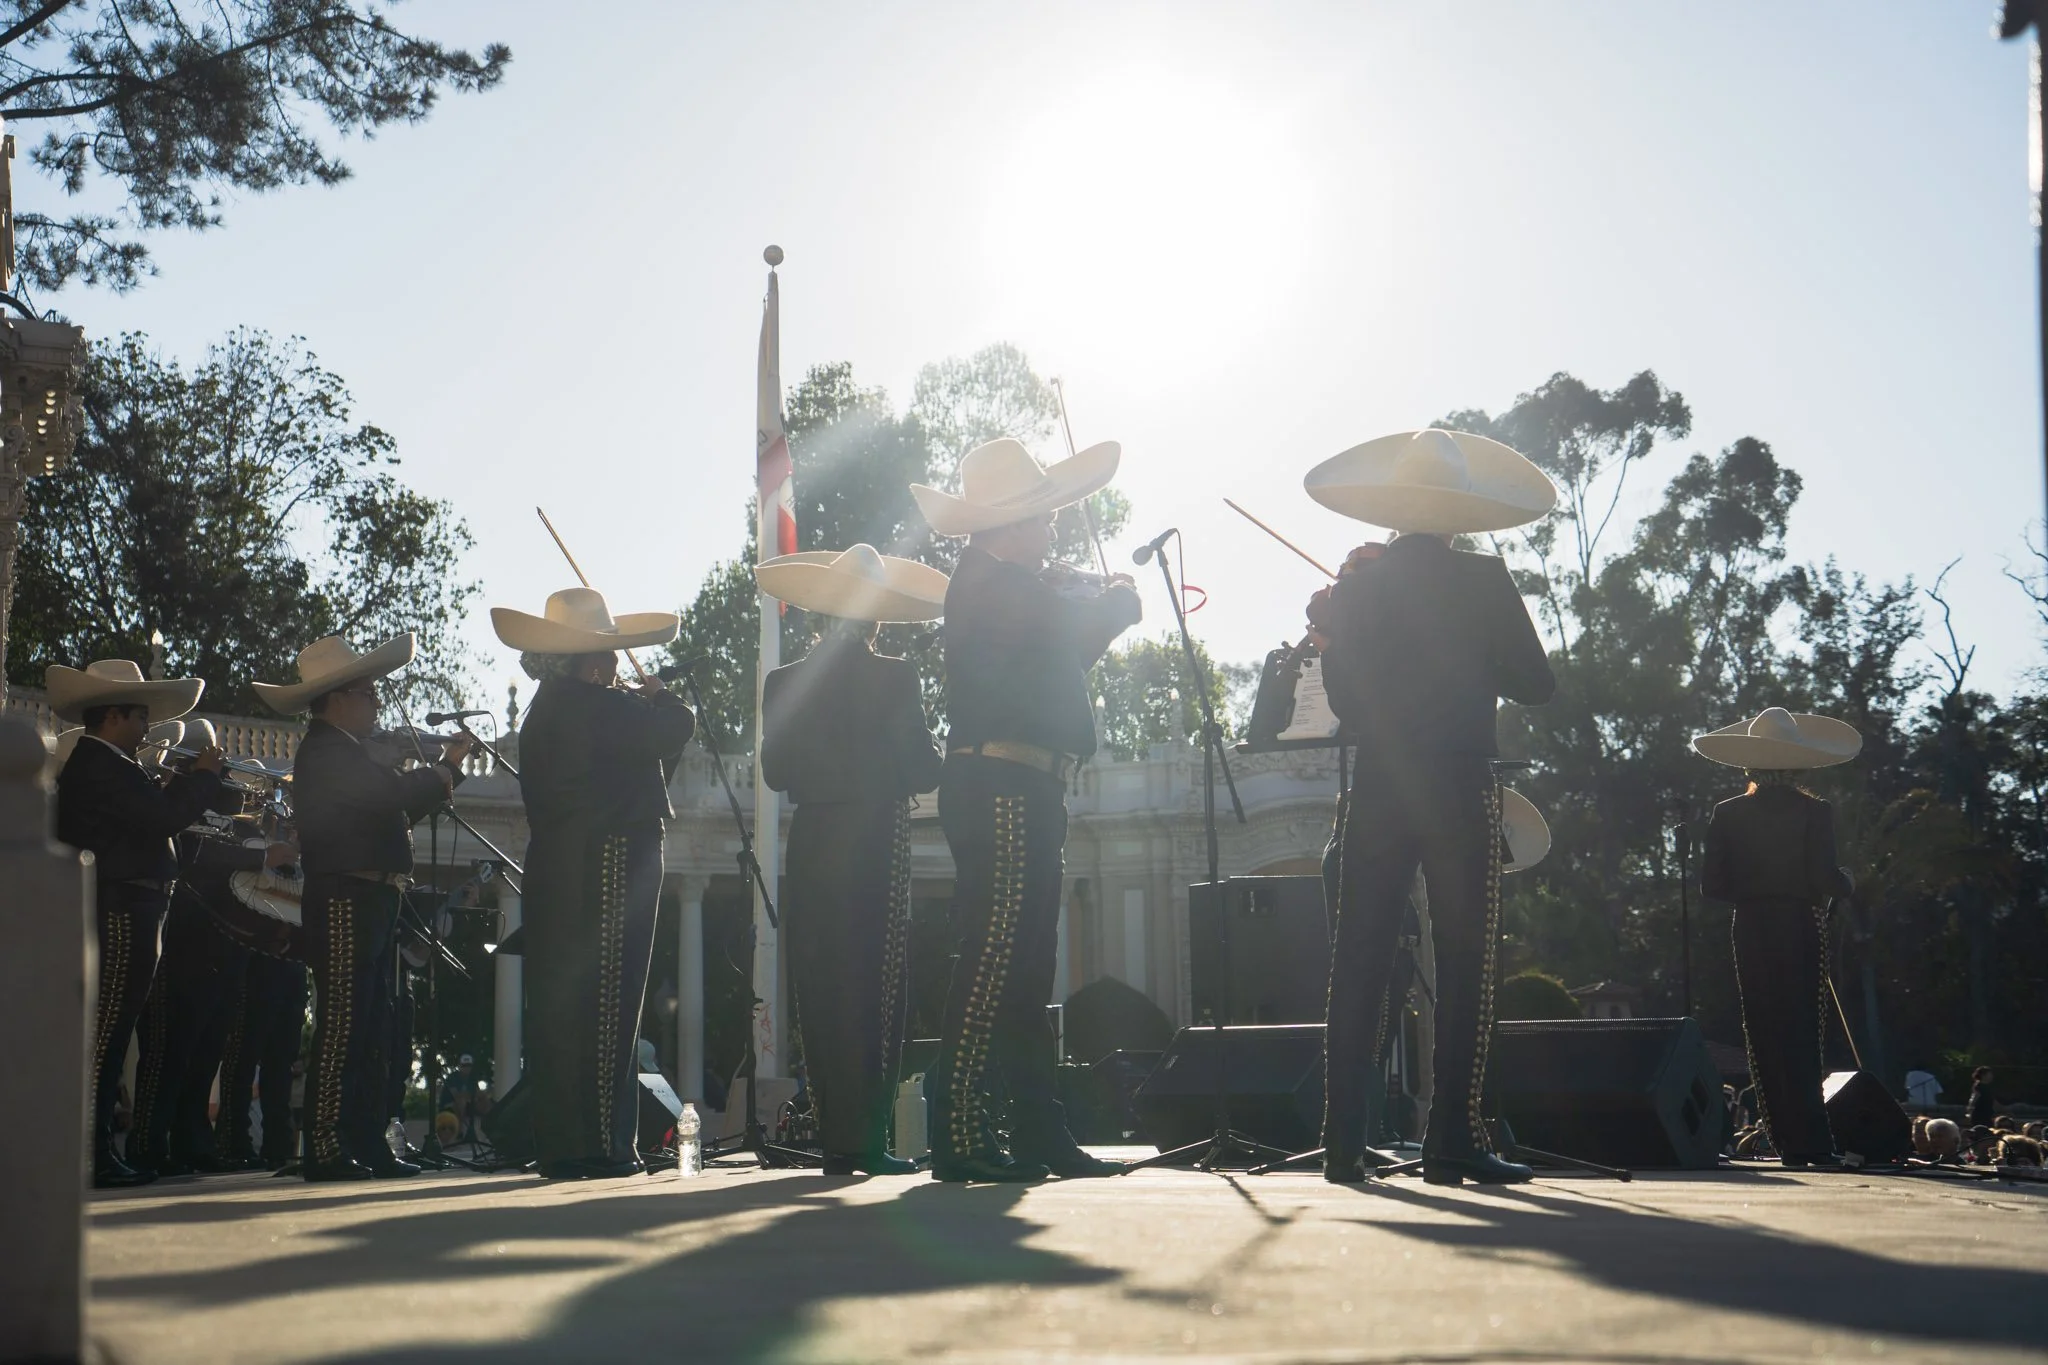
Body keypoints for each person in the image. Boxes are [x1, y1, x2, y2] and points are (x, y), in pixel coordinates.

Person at [1307, 427, 1559, 1186]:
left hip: (1380, 784)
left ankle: (1343, 1140)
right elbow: (1536, 683)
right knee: (1465, 956)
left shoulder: (1354, 591)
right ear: (1455, 512)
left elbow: (1346, 702)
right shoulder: (1481, 580)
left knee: (1358, 957)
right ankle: (1452, 1136)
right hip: (1457, 783)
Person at [909, 436, 1143, 1182]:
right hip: (1001, 785)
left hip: (1029, 785)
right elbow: (1068, 632)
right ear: (1010, 523)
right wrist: (1114, 605)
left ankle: (1038, 1128)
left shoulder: (1008, 584)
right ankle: (960, 1129)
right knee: (993, 960)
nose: (1053, 533)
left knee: (1026, 967)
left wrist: (1099, 614)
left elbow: (1058, 660)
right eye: (1043, 519)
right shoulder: (989, 581)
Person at [757, 543, 948, 1175]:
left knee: (820, 985)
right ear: (873, 619)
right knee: (876, 987)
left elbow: (778, 772)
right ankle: (866, 1140)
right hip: (875, 840)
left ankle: (839, 1136)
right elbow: (922, 766)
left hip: (811, 839)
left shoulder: (783, 681)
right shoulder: (892, 675)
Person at [255, 634, 474, 1180]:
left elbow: (391, 811)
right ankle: (325, 1144)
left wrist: (446, 772)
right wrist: (443, 768)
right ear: (337, 699)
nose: (377, 702)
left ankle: (367, 1141)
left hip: (371, 896)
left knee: (375, 1026)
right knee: (344, 1022)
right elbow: (391, 797)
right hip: (345, 898)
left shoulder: (345, 752)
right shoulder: (327, 751)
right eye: (368, 692)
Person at [492, 586, 694, 1179]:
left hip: (556, 865)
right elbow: (674, 727)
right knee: (612, 1004)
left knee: (560, 1010)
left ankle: (564, 1144)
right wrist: (658, 694)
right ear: (594, 658)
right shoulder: (598, 705)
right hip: (612, 861)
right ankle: (607, 1144)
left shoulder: (545, 710)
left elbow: (642, 764)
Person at [49, 658, 223, 1187]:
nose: (149, 728)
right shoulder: (100, 765)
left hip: (133, 904)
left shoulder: (109, 766)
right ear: (115, 718)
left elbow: (155, 818)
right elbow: (164, 819)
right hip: (122, 907)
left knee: (112, 1033)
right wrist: (203, 781)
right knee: (107, 1036)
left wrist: (185, 787)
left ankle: (96, 1151)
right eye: (141, 716)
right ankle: (92, 1154)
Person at [1696, 706, 1861, 1169]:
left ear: (1750, 765)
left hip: (1750, 926)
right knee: (1802, 1031)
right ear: (1797, 763)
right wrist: (1846, 882)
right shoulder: (1815, 811)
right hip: (1799, 925)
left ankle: (1787, 1140)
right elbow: (1826, 877)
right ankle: (1813, 1139)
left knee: (1763, 1029)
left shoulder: (1726, 813)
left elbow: (1713, 887)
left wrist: (1755, 890)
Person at [1966, 1066, 1997, 1130]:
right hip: (1980, 1114)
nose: (1991, 1076)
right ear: (1983, 1075)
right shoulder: (1979, 1086)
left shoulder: (1988, 1087)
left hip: (1988, 1113)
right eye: (1989, 1074)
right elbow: (1974, 1099)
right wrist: (1970, 1110)